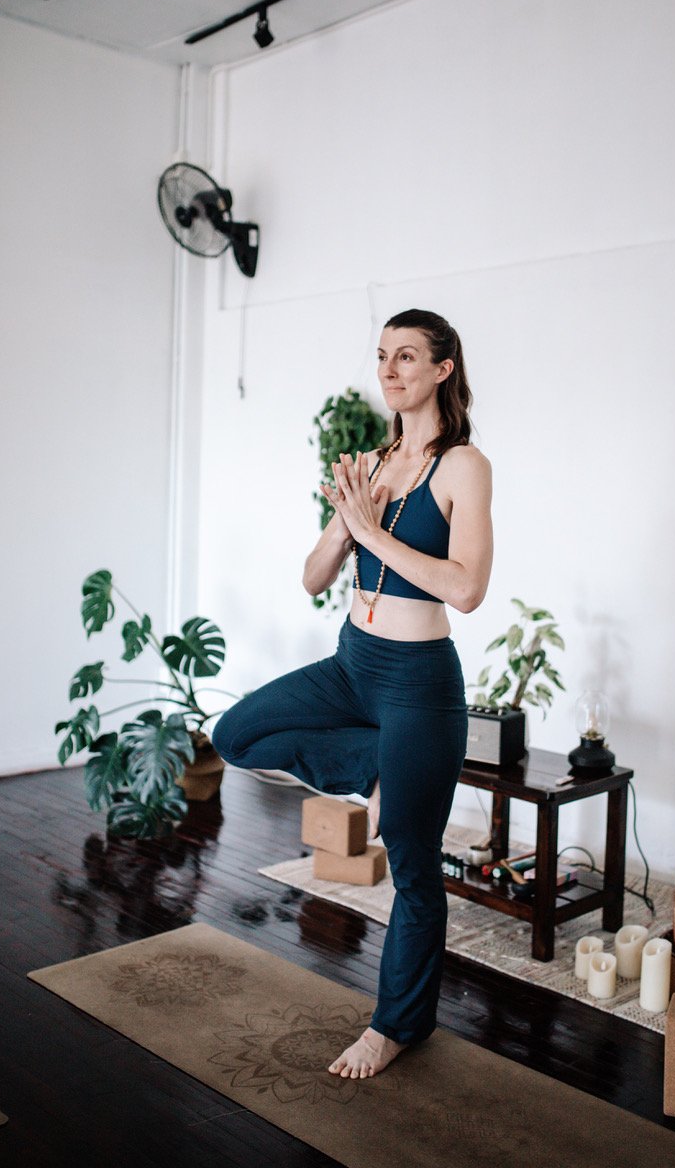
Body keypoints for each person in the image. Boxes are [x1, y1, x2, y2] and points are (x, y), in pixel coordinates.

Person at [212, 309, 493, 1079]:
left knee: (410, 859)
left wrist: (373, 536)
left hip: (418, 684)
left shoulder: (462, 466)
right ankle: (372, 766)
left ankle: (395, 1026)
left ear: (442, 368)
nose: (389, 369)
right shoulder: (367, 464)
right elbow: (311, 578)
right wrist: (344, 524)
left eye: (407, 356)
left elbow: (466, 589)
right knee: (235, 733)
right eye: (381, 356)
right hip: (350, 664)